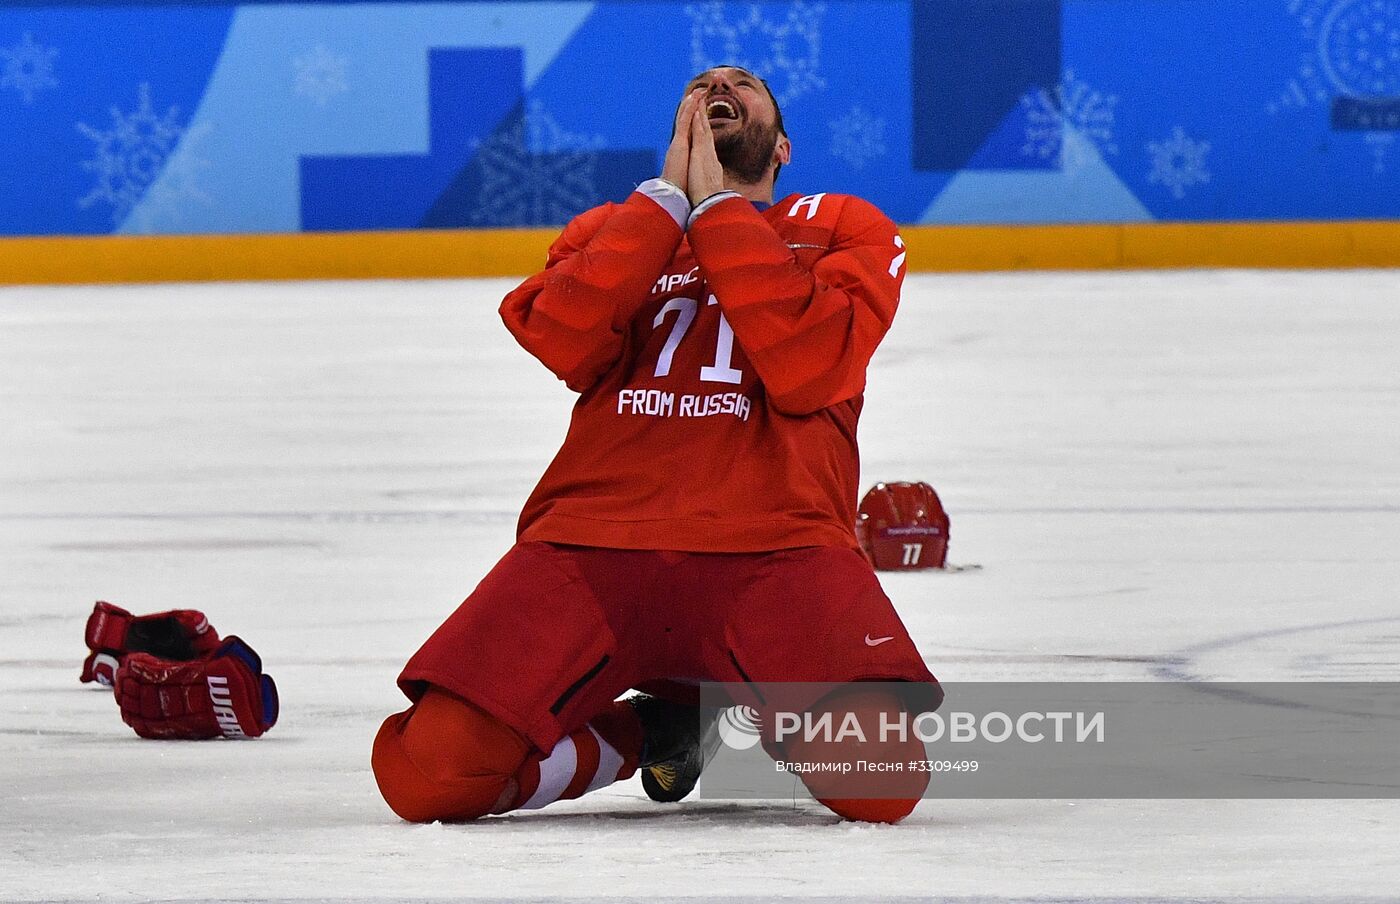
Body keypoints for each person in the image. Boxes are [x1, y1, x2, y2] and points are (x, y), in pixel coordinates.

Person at [371, 66, 940, 824]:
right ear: (677, 127)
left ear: (783, 149)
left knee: (879, 778)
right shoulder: (613, 227)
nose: (720, 85)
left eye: (745, 83)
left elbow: (813, 365)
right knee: (427, 778)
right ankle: (655, 730)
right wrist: (664, 206)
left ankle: (765, 707)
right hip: (586, 548)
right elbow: (560, 338)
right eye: (702, 83)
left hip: (778, 548)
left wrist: (717, 214)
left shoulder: (844, 223)